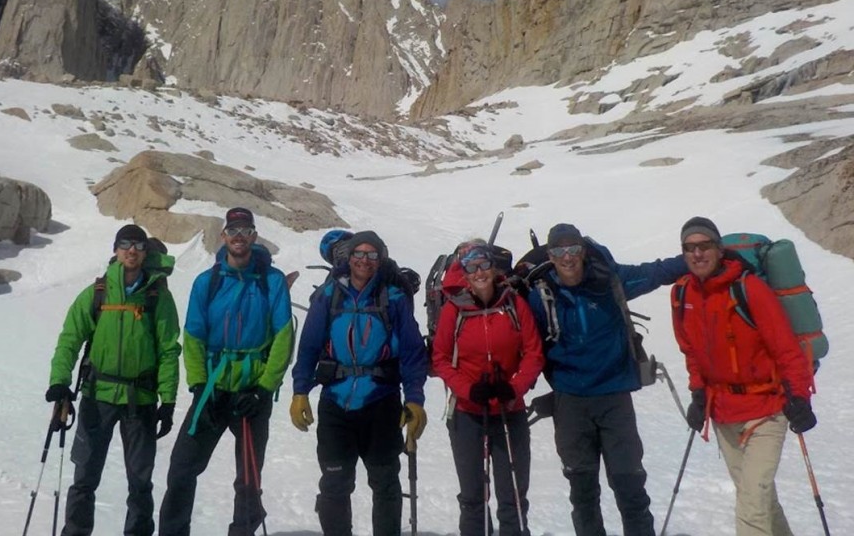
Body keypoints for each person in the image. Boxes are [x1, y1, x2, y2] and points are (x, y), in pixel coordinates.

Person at [526, 223, 687, 536]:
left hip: (614, 399)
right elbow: (523, 343)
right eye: (560, 250)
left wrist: (698, 255)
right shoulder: (540, 296)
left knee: (630, 487)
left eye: (573, 249)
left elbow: (656, 272)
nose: (568, 257)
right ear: (550, 255)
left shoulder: (610, 282)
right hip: (570, 402)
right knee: (583, 493)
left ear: (584, 251)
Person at [672, 217, 816, 536]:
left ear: (719, 249)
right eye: (689, 247)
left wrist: (800, 397)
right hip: (724, 413)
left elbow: (786, 349)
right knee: (760, 500)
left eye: (704, 245)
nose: (697, 254)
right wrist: (698, 394)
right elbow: (691, 351)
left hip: (766, 411)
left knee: (751, 507)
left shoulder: (749, 288)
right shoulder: (682, 294)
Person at [158, 207, 294, 536]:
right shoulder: (207, 282)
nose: (238, 237)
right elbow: (193, 336)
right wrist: (199, 384)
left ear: (254, 237)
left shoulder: (272, 282)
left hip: (252, 392)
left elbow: (282, 337)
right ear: (223, 237)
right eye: (233, 231)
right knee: (181, 469)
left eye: (245, 231)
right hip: (212, 390)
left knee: (248, 478)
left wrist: (263, 388)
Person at [290, 230, 429, 536]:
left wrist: (414, 399)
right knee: (335, 483)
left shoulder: (392, 299)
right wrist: (300, 390)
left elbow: (412, 352)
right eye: (359, 254)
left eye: (371, 255)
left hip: (381, 401)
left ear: (380, 259)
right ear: (349, 258)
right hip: (336, 402)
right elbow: (309, 345)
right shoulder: (329, 296)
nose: (364, 261)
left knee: (385, 482)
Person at [47, 223, 181, 536]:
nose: (131, 250)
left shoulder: (157, 295)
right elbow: (70, 338)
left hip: (142, 399)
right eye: (125, 244)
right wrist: (59, 382)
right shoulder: (97, 292)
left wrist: (169, 399)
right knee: (85, 477)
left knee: (140, 481)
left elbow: (168, 350)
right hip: (98, 394)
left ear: (145, 252)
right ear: (116, 250)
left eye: (137, 244)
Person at [433, 245, 545, 536]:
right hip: (467, 412)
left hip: (509, 410)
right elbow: (441, 359)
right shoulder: (453, 309)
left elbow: (534, 352)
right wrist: (469, 390)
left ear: (494, 269)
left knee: (513, 498)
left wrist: (515, 388)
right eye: (471, 267)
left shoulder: (513, 303)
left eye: (483, 265)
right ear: (464, 274)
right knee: (472, 497)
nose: (479, 272)